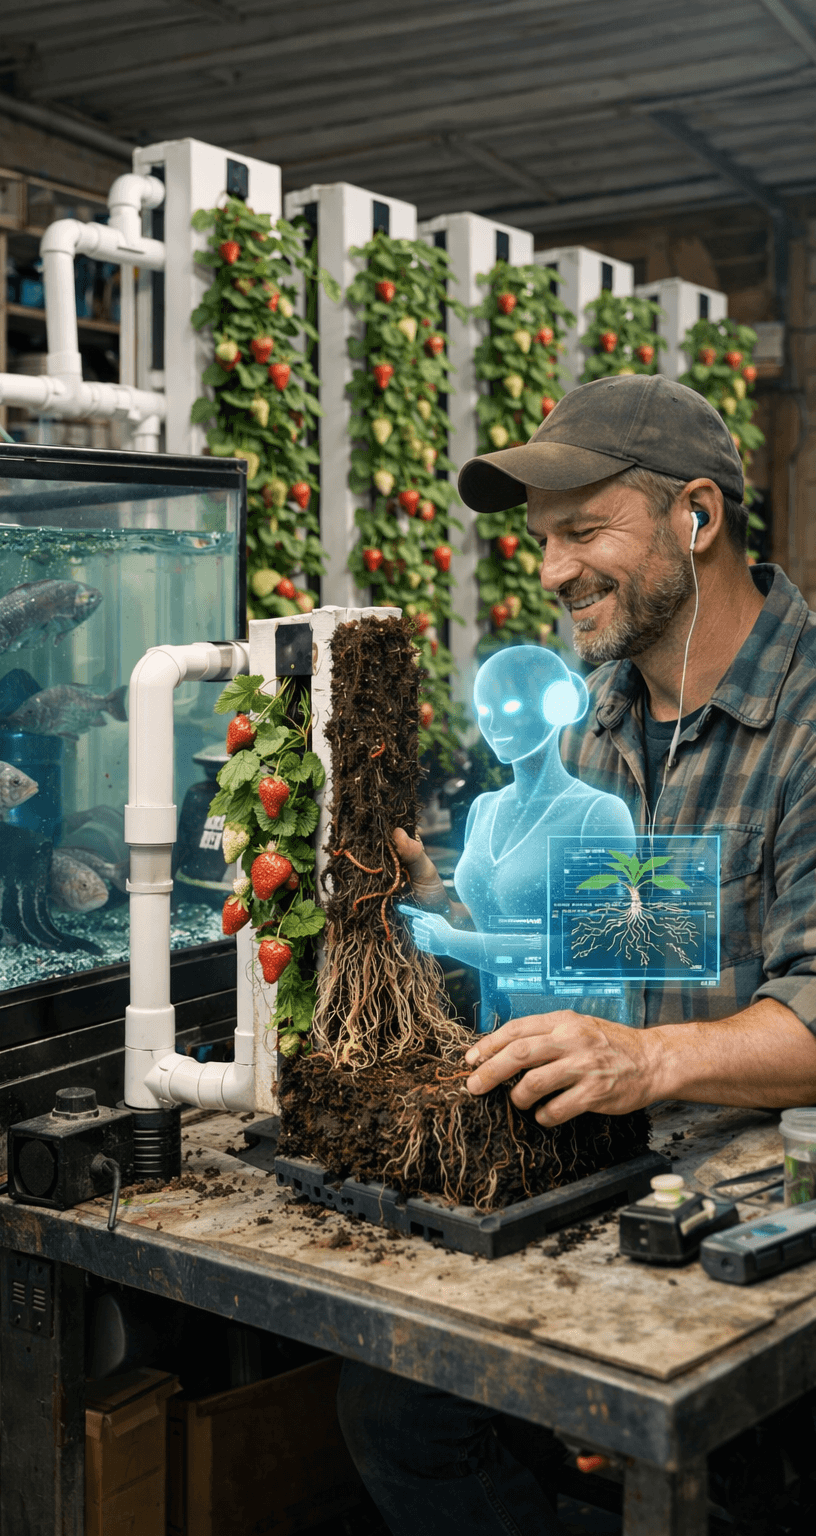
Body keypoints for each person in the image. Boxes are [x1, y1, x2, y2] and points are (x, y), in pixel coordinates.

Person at [337, 373, 816, 1536]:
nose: (550, 572)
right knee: (395, 1406)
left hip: (771, 1224)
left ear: (696, 518)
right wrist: (448, 903)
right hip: (614, 1174)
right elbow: (625, 940)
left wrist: (644, 1062)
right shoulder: (599, 720)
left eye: (583, 532)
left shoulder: (804, 721)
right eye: (542, 541)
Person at [403, 645, 635, 1026]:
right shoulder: (485, 809)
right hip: (494, 1037)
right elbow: (491, 923)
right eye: (484, 713)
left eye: (509, 709)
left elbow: (590, 951)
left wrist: (453, 943)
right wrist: (439, 905)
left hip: (576, 1049)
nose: (493, 727)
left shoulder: (599, 814)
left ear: (558, 705)